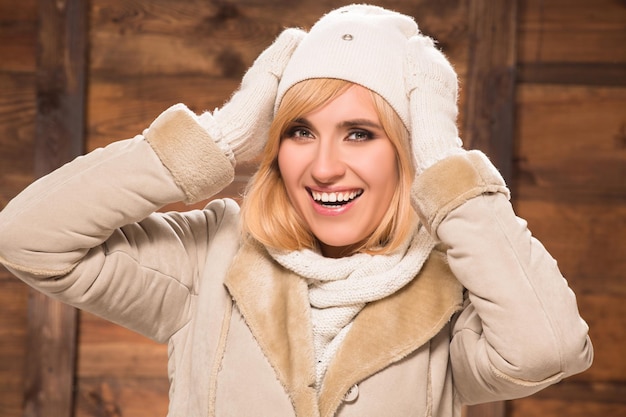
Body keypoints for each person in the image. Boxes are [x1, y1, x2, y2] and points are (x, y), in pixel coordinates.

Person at [0, 4, 592, 417]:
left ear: (407, 151)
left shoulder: (458, 292)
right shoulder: (208, 257)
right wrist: (221, 140)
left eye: (361, 133)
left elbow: (550, 350)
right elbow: (27, 238)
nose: (324, 167)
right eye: (300, 131)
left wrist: (443, 163)